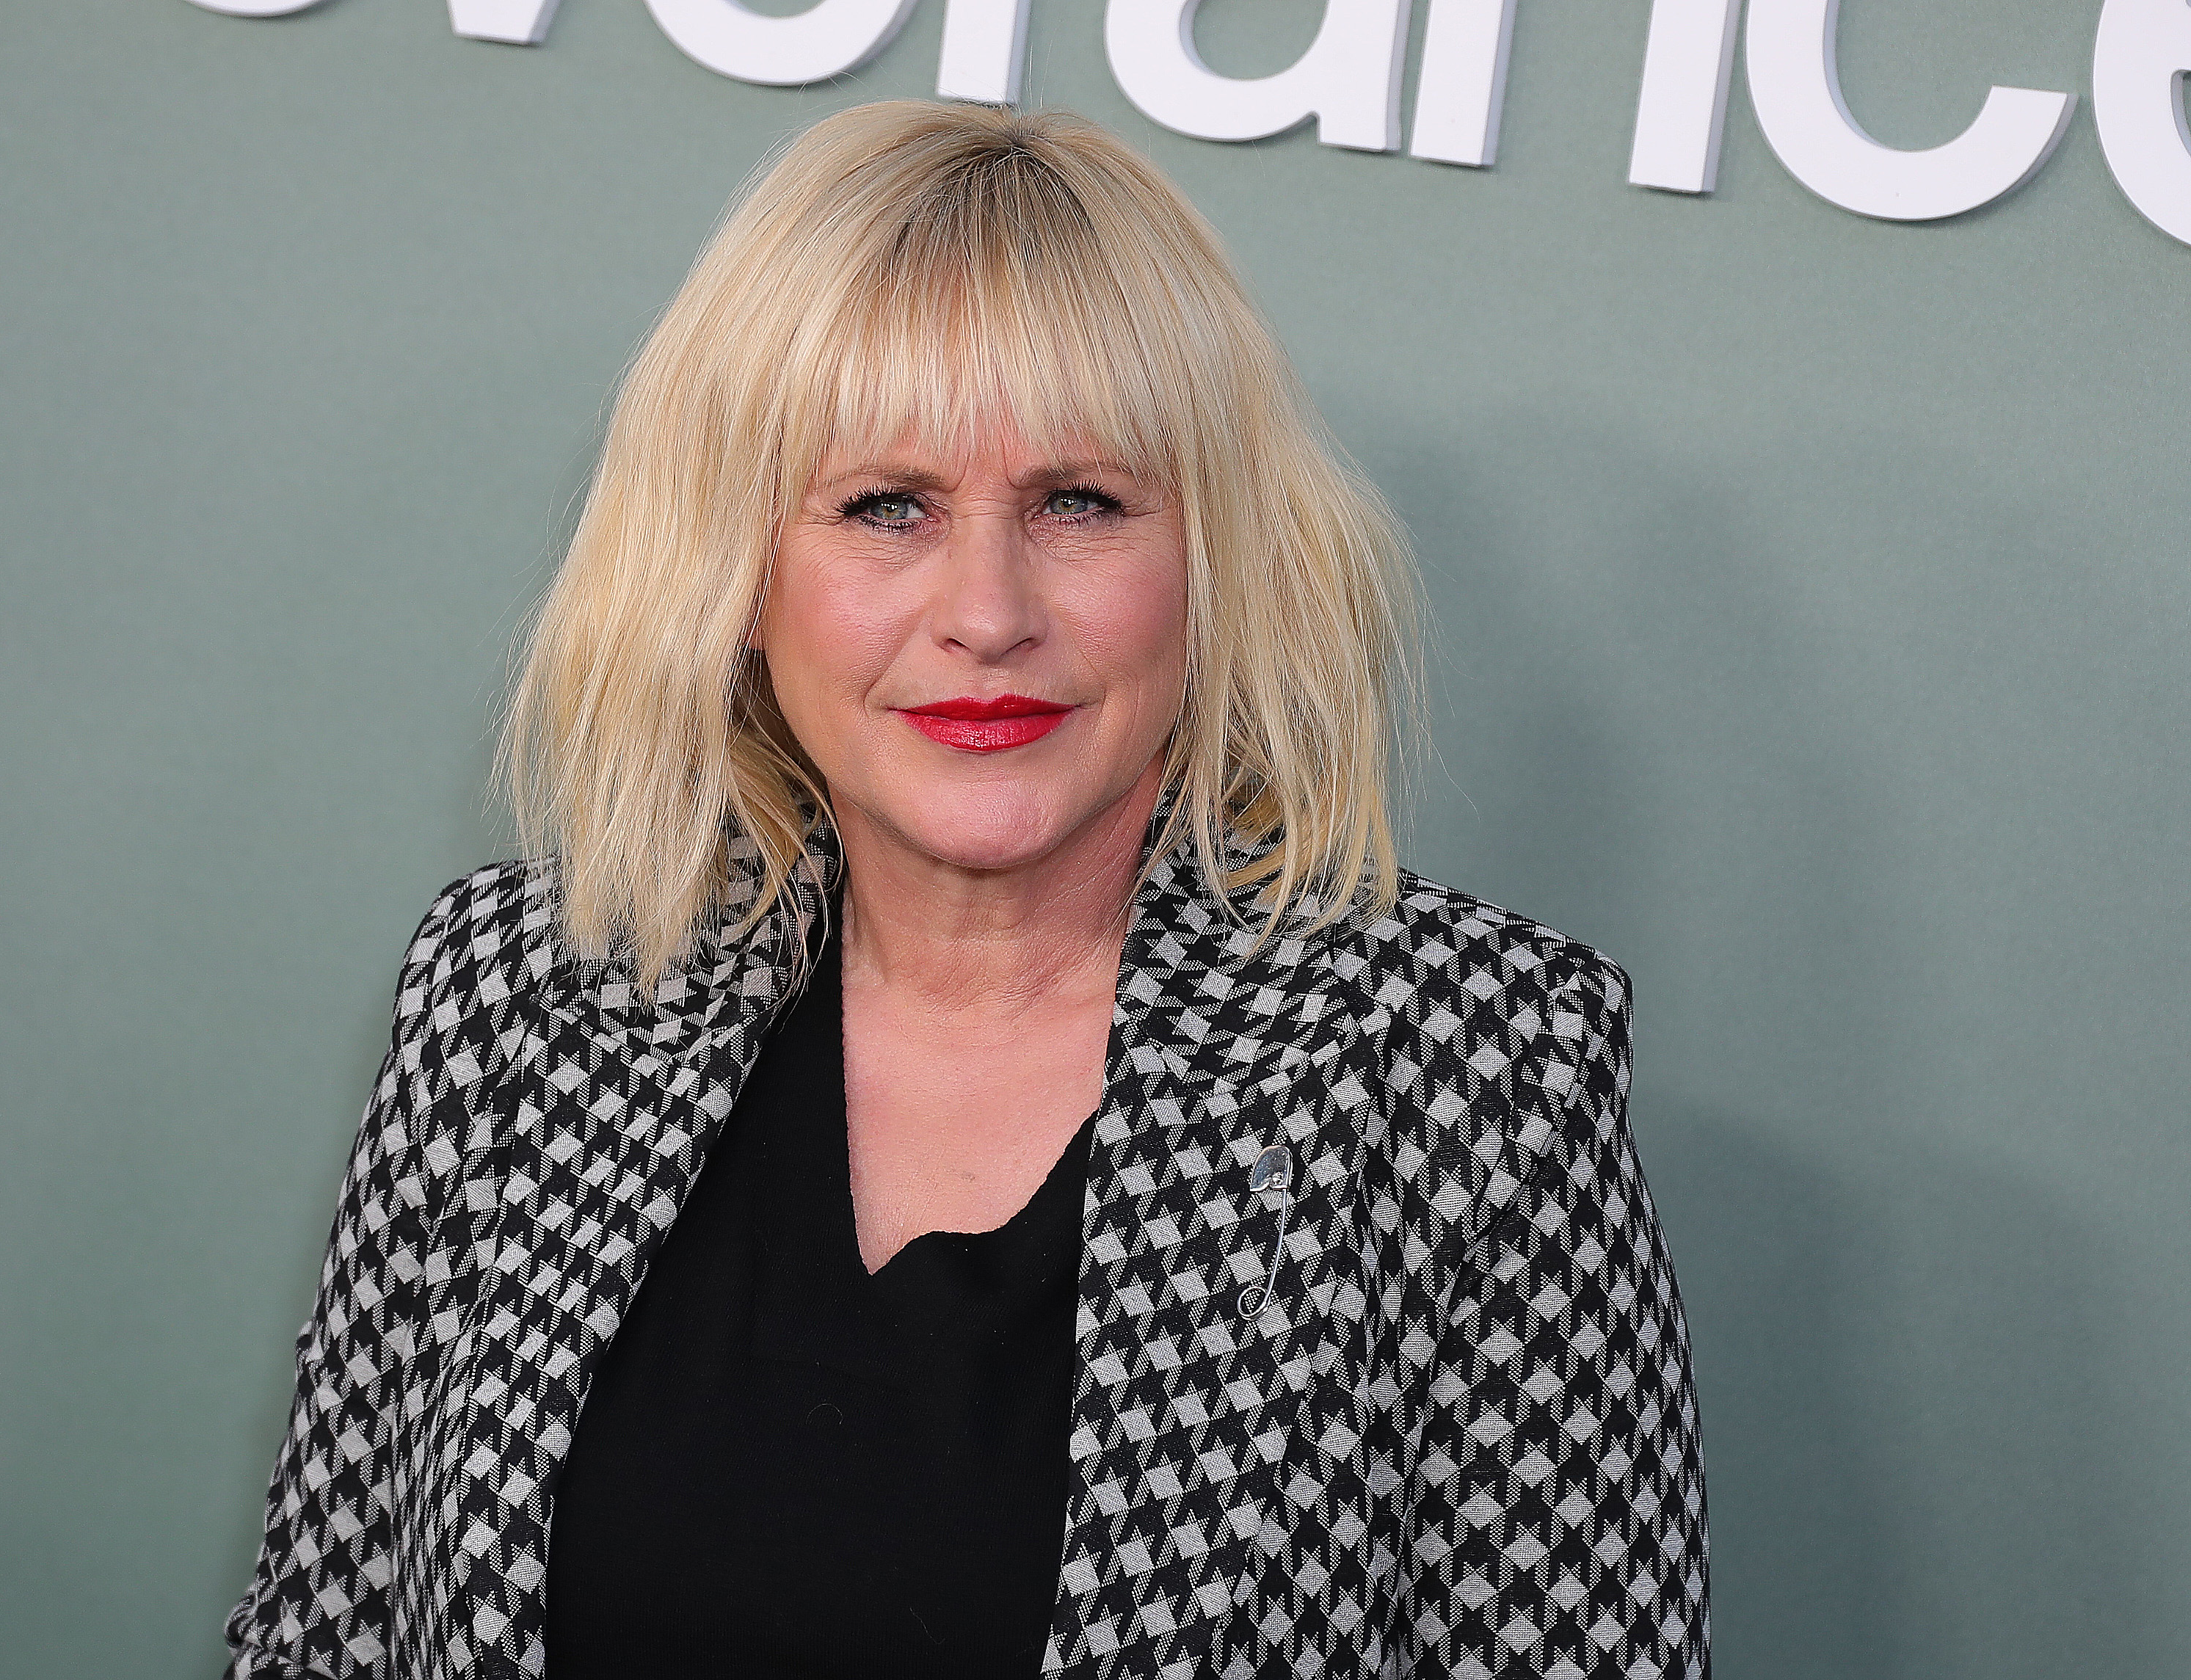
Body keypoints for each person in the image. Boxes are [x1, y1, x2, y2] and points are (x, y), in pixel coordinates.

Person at [223, 100, 1707, 1680]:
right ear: (734, 574)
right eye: (887, 506)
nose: (986, 612)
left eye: (1080, 501)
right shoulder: (519, 993)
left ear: (1214, 567)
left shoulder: (1464, 1068)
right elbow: (321, 1637)